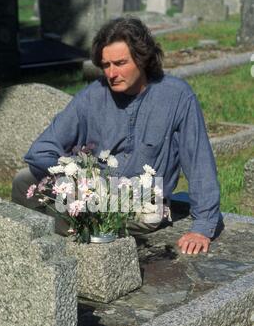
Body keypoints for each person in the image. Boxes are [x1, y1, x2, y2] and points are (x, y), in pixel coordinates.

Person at [12, 17, 222, 255]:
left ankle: (74, 236)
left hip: (142, 202)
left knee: (141, 211)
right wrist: (74, 180)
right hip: (91, 192)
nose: (112, 73)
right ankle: (65, 240)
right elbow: (40, 150)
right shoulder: (92, 96)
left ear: (142, 59)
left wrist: (202, 226)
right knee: (24, 180)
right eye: (106, 65)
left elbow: (199, 162)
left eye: (120, 63)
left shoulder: (177, 97)